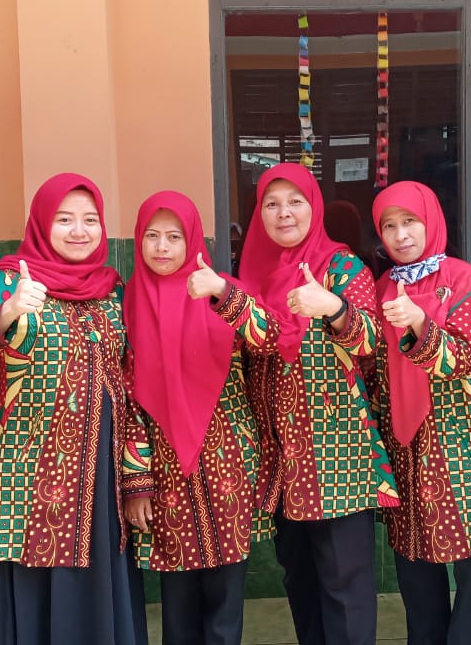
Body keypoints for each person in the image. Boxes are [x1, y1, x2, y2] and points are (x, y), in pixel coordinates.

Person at [0, 173, 147, 645]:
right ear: (42, 224)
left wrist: (137, 477)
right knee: (37, 596)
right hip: (30, 473)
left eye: (90, 220)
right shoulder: (8, 280)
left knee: (97, 588)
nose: (79, 231)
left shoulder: (112, 289)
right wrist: (6, 314)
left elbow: (130, 386)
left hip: (101, 474)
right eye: (64, 220)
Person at [237, 162, 398, 645]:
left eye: (295, 202)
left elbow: (369, 340)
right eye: (271, 204)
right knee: (301, 579)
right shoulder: (256, 274)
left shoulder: (342, 267)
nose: (283, 213)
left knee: (345, 585)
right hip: (281, 461)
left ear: (315, 207)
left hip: (336, 456)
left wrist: (334, 308)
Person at [121, 190, 274, 645]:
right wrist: (136, 483)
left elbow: (268, 340)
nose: (162, 247)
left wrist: (224, 294)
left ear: (192, 240)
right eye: (152, 235)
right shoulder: (127, 304)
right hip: (165, 472)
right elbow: (127, 400)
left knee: (226, 602)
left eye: (174, 237)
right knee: (179, 605)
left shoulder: (220, 290)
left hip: (228, 466)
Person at [370, 180, 471, 644]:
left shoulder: (463, 279)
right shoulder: (383, 286)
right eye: (389, 226)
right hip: (405, 443)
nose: (401, 235)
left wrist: (418, 322)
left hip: (458, 440)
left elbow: (462, 359)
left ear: (430, 222)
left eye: (410, 221)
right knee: (414, 558)